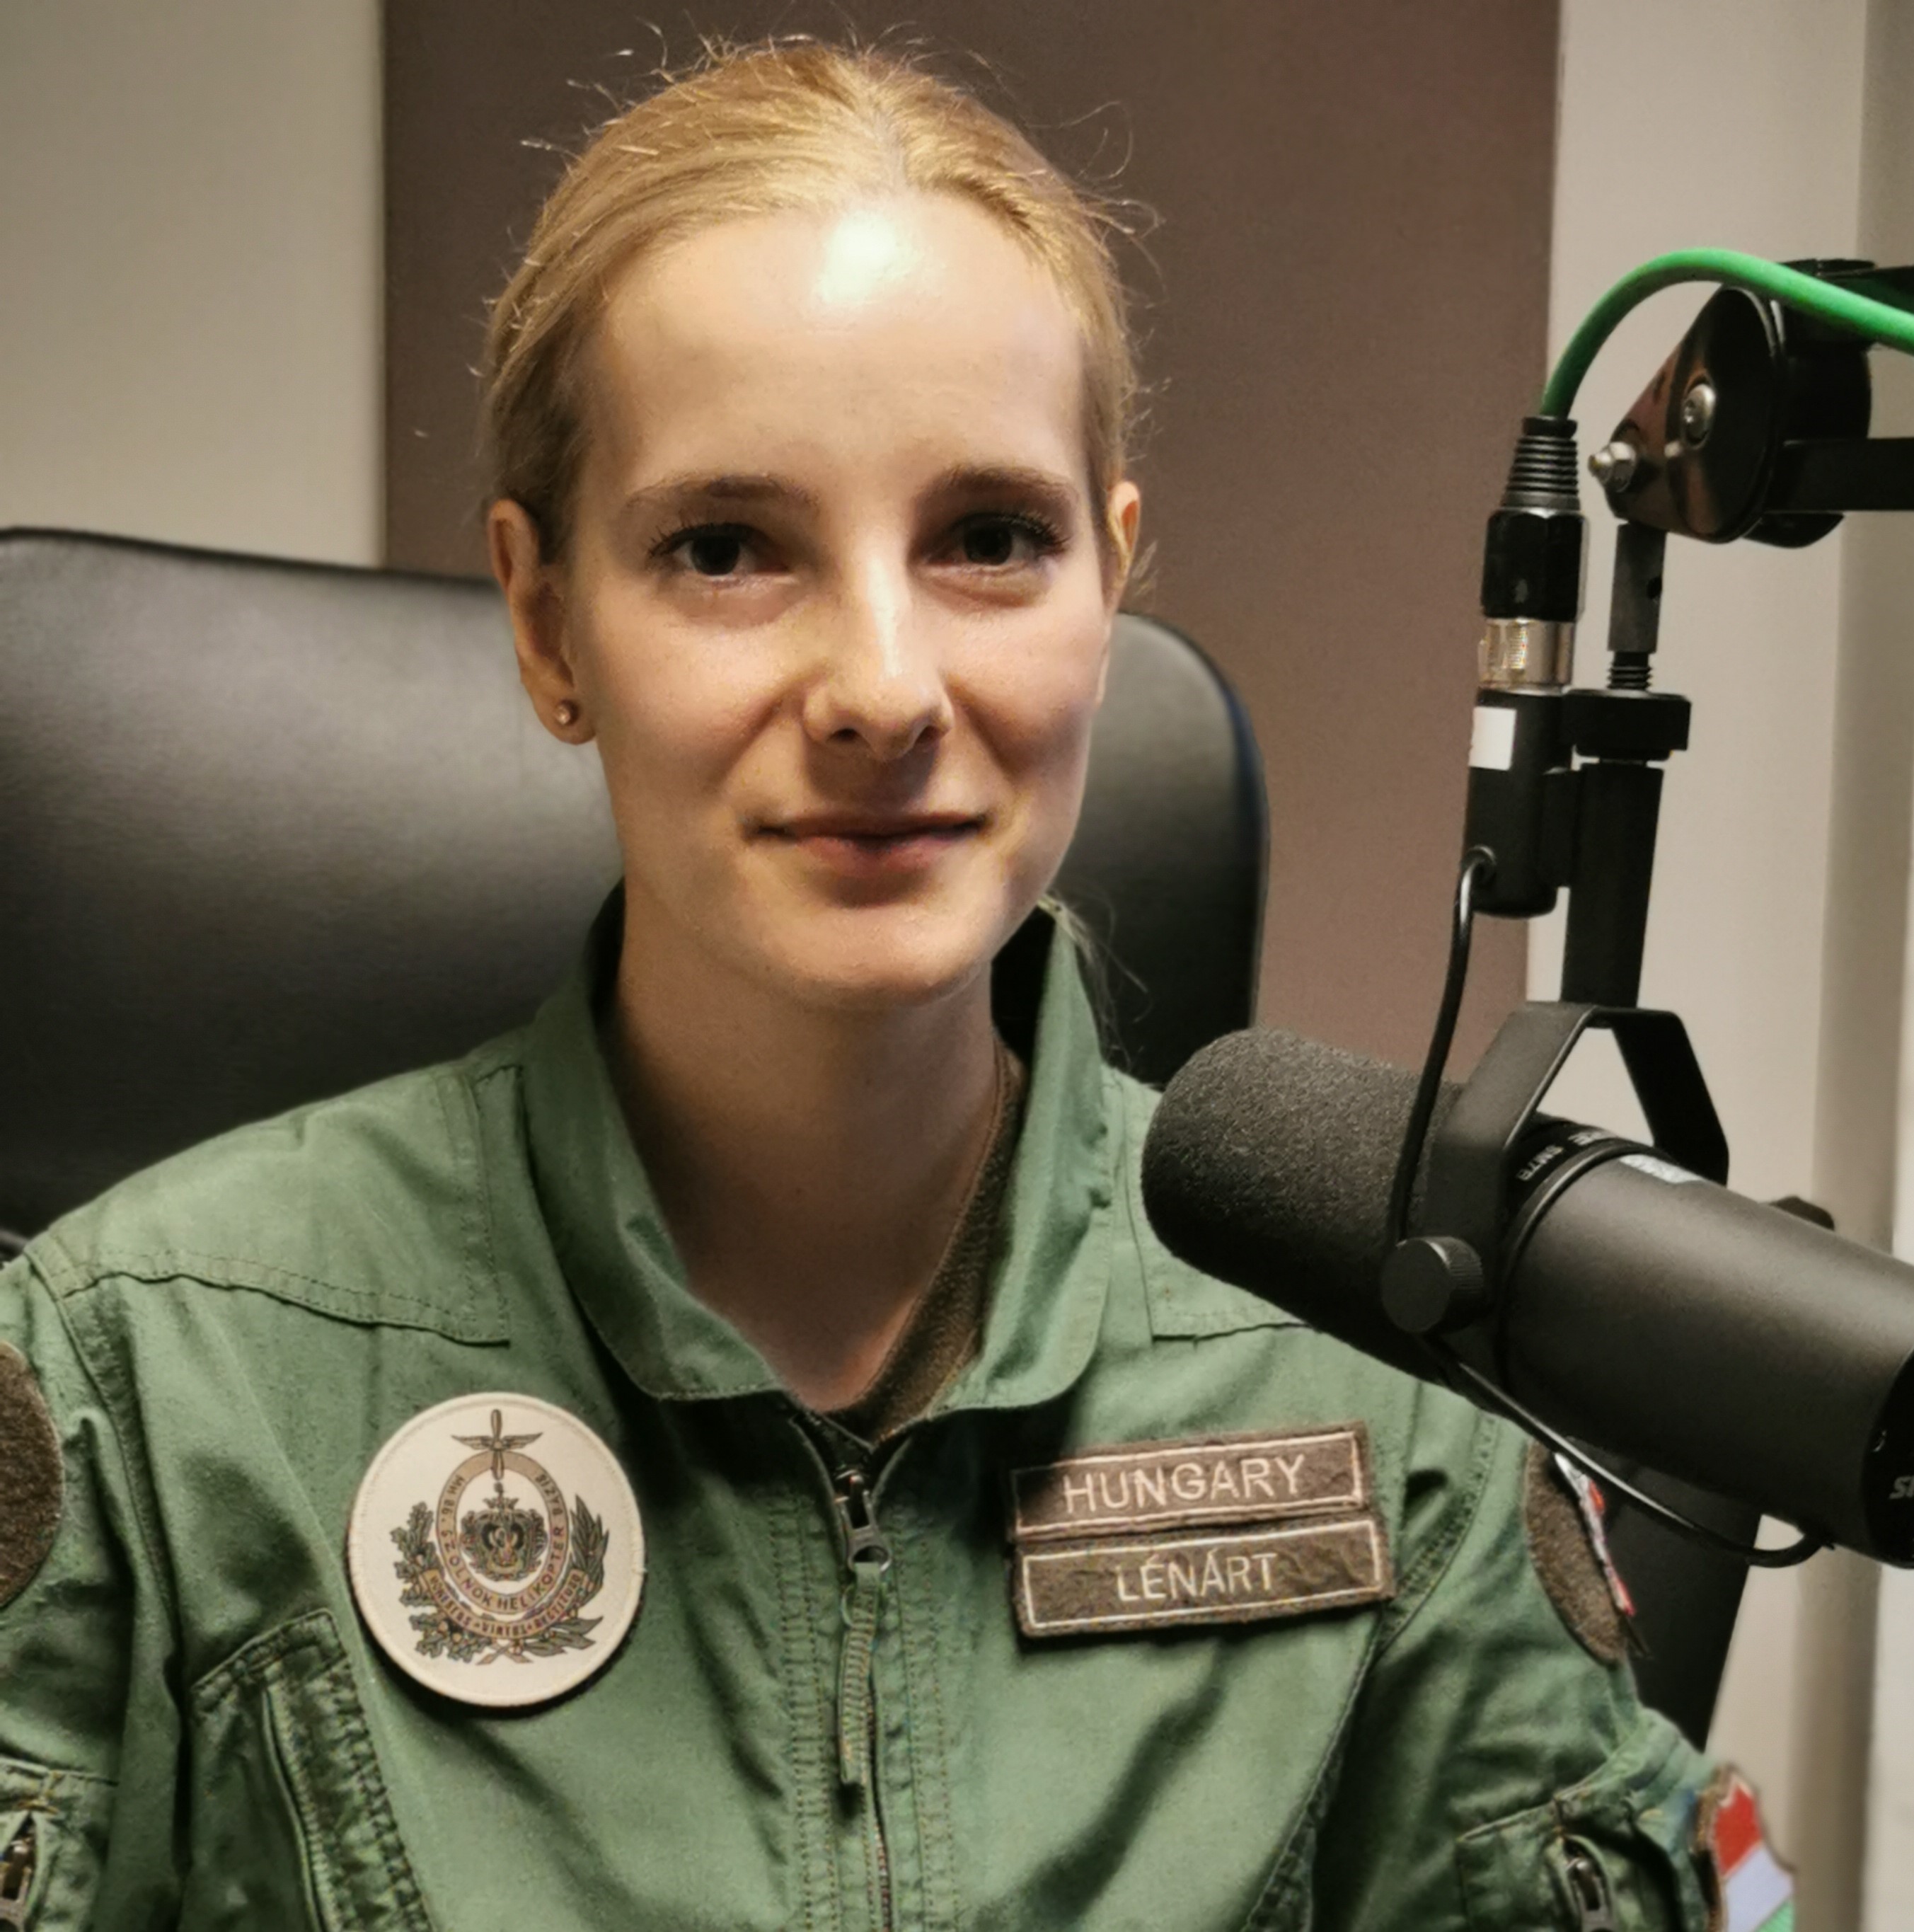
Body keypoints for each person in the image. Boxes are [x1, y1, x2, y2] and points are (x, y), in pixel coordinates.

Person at [0, 38, 1775, 1931]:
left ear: (1107, 583)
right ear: (547, 622)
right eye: (726, 549)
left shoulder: (1383, 1382)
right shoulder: (150, 1379)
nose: (882, 688)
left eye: (989, 540)